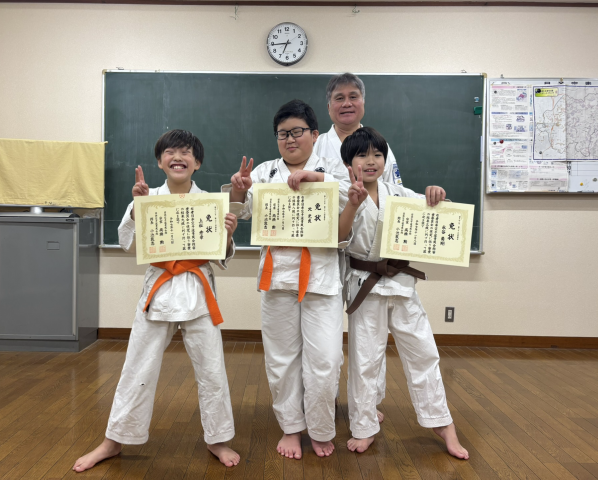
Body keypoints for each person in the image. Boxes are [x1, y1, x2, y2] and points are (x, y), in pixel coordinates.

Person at [73, 130, 241, 472]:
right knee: (137, 366)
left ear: (197, 162)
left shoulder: (211, 202)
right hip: (159, 289)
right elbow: (128, 244)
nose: (178, 157)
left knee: (212, 370)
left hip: (198, 289)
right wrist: (138, 210)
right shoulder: (147, 198)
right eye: (170, 152)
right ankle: (114, 440)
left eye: (186, 152)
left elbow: (220, 256)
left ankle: (217, 438)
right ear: (159, 161)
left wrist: (227, 234)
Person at [224, 100, 350, 459]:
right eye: (283, 134)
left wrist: (316, 179)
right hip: (277, 277)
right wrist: (238, 189)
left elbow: (353, 194)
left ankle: (321, 428)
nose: (290, 139)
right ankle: (291, 428)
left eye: (297, 132)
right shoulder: (265, 172)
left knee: (326, 359)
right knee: (282, 358)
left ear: (314, 134)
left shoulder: (333, 168)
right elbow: (242, 210)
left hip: (321, 279)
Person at [338, 127, 469, 459]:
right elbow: (337, 238)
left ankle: (442, 423)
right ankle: (364, 426)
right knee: (366, 359)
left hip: (401, 284)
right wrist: (352, 204)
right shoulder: (342, 192)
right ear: (349, 163)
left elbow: (438, 217)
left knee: (423, 351)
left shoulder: (400, 193)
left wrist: (438, 196)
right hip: (364, 285)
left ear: (385, 160)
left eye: (377, 155)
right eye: (362, 155)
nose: (371, 161)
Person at [314, 72, 403, 186]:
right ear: (329, 107)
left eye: (353, 97)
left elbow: (395, 191)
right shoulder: (315, 145)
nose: (347, 104)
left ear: (363, 103)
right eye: (340, 98)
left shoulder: (379, 146)